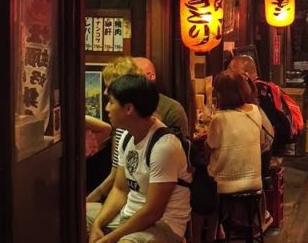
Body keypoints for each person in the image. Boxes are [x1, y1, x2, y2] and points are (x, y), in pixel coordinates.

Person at [87, 75, 191, 243]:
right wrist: (96, 225)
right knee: (78, 216)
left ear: (128, 108)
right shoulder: (127, 136)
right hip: (129, 216)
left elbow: (153, 212)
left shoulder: (164, 146)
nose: (107, 108)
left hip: (162, 226)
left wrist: (109, 239)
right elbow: (120, 190)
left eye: (111, 102)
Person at [89, 57, 190, 203]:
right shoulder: (124, 127)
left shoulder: (152, 125)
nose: (105, 92)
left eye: (110, 87)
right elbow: (117, 178)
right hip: (128, 200)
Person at [206, 70, 274, 236]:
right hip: (254, 183)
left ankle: (213, 232)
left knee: (201, 184)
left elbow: (209, 146)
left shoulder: (219, 119)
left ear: (220, 94)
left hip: (224, 185)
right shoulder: (254, 111)